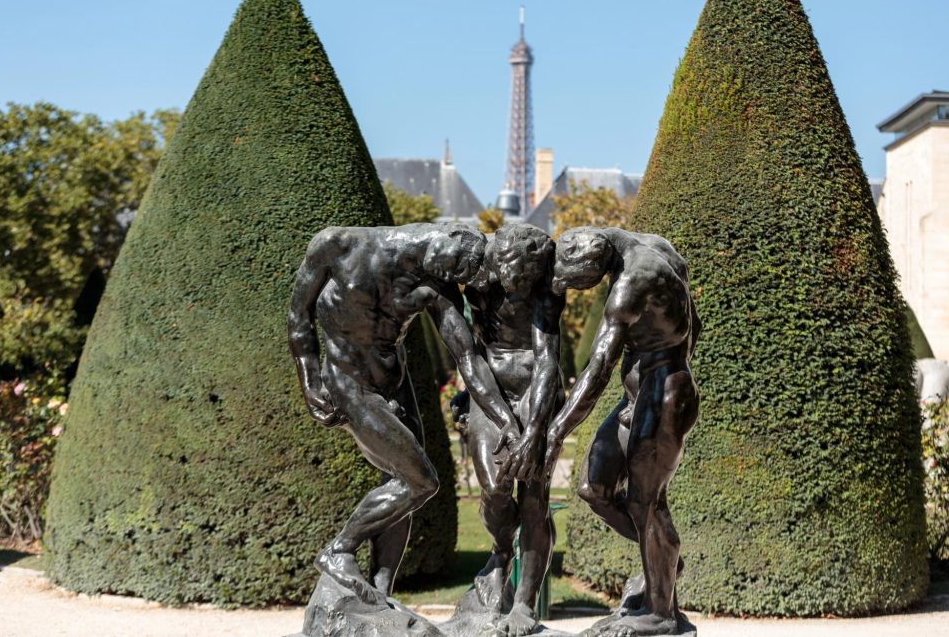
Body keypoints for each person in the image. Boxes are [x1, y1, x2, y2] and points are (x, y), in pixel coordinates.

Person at [288, 223, 521, 603]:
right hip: (348, 382)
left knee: (399, 482)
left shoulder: (436, 280)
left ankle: (381, 595)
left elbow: (466, 357)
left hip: (395, 384)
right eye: (455, 268)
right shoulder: (339, 245)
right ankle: (339, 550)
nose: (450, 279)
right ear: (444, 236)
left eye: (457, 276)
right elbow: (299, 314)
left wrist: (503, 418)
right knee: (420, 482)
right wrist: (309, 380)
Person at [544, 227, 701, 637]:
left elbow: (597, 370)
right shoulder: (654, 247)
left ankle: (660, 614)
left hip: (666, 390)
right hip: (643, 389)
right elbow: (693, 325)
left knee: (645, 502)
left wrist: (554, 434)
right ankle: (665, 562)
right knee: (594, 489)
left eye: (577, 281)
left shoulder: (630, 283)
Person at [453, 223, 565, 636]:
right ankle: (501, 553)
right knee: (494, 483)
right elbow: (465, 344)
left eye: (526, 280)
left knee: (534, 496)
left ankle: (524, 603)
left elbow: (548, 357)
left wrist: (536, 429)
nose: (518, 286)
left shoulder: (547, 283)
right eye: (512, 277)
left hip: (537, 389)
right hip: (491, 388)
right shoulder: (478, 276)